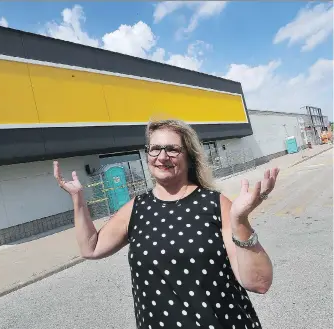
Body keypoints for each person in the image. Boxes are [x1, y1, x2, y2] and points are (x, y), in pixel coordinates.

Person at [53, 119, 279, 329]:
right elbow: (90, 247)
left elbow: (258, 282)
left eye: (172, 149)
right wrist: (78, 200)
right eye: (155, 148)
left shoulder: (214, 204)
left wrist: (240, 221)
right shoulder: (137, 208)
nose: (162, 157)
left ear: (188, 156)